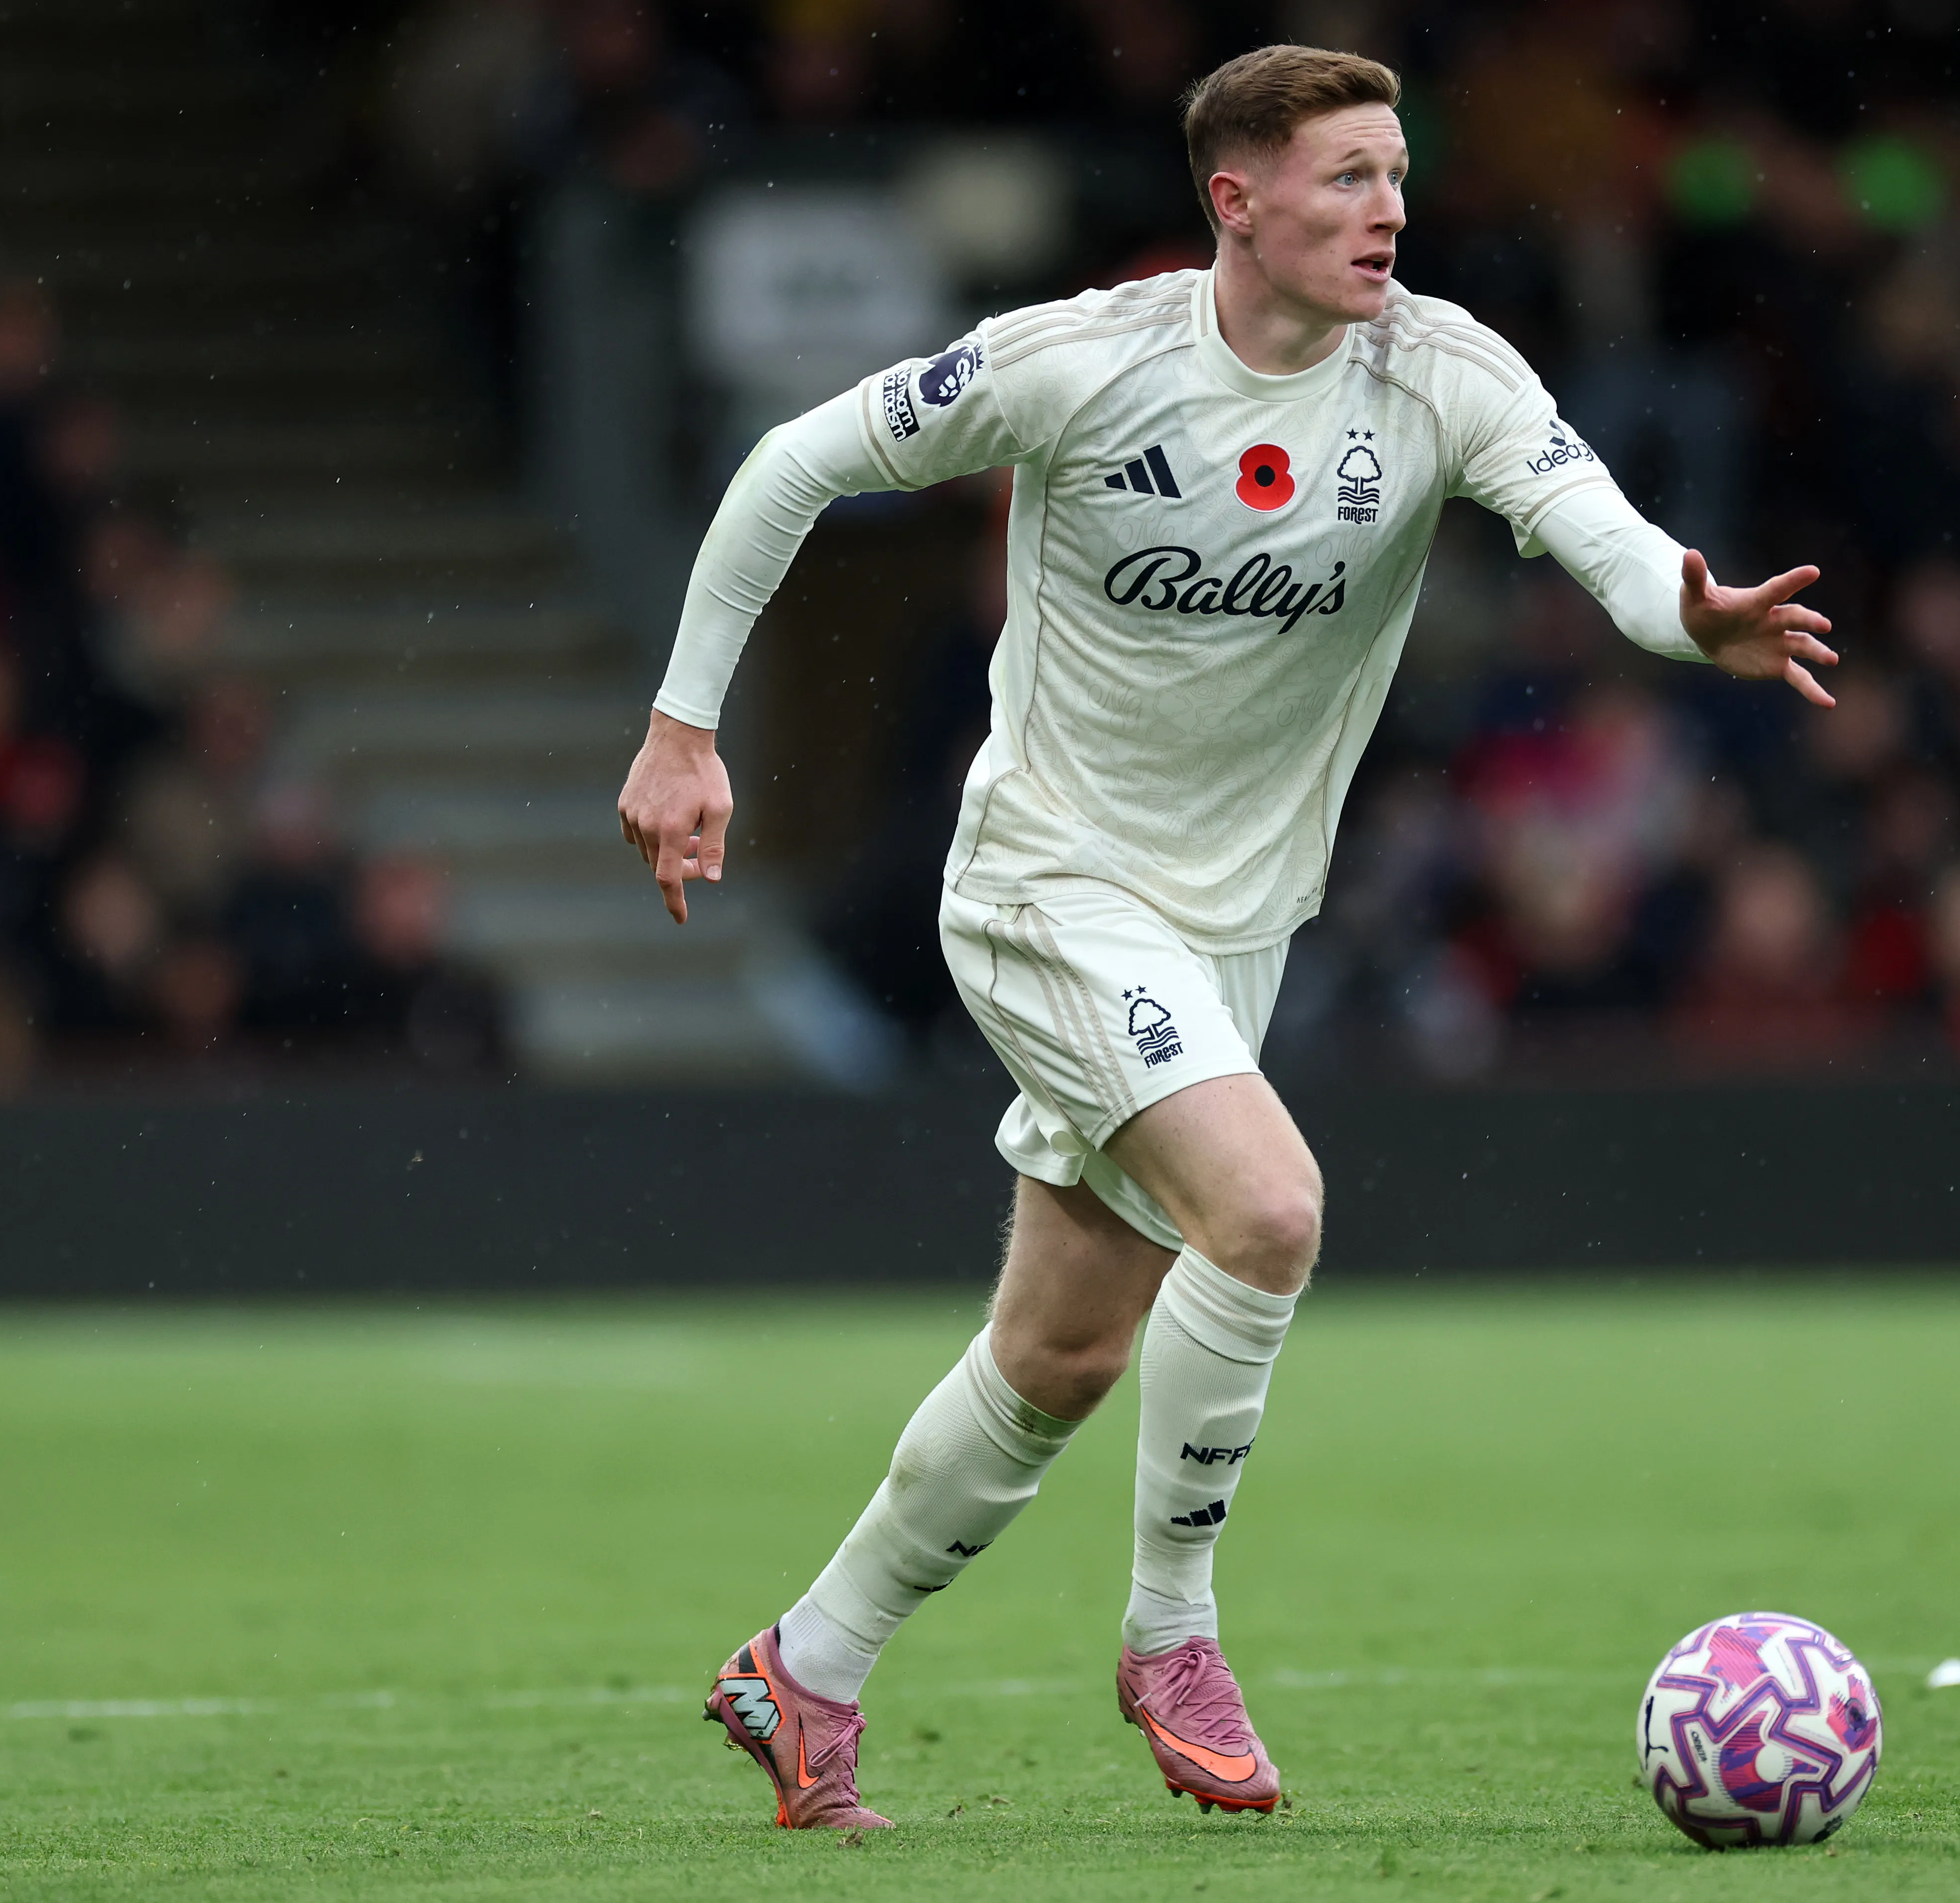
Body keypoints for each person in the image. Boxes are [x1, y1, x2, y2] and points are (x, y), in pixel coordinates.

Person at [615, 44, 1835, 1831]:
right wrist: (681, 728)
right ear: (1235, 204)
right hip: (1047, 886)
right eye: (1346, 178)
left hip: (1228, 932)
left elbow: (1599, 528)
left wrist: (1686, 612)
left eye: (1397, 175)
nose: (1389, 211)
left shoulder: (1439, 373)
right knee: (1266, 1211)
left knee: (1062, 1355)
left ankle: (805, 1668)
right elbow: (793, 464)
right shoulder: (1081, 363)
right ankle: (1169, 1633)